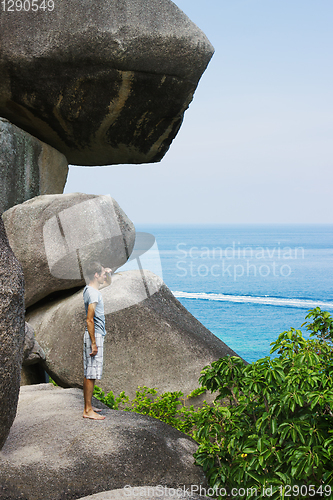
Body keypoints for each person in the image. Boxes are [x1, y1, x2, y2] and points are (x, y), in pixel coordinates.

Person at [82, 261, 111, 420]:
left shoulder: (90, 289)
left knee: (90, 372)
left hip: (95, 334)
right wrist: (94, 342)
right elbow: (89, 319)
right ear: (95, 275)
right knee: (90, 374)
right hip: (95, 335)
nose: (104, 275)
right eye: (102, 273)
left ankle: (89, 407)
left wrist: (107, 271)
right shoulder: (93, 293)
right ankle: (87, 410)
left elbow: (108, 282)